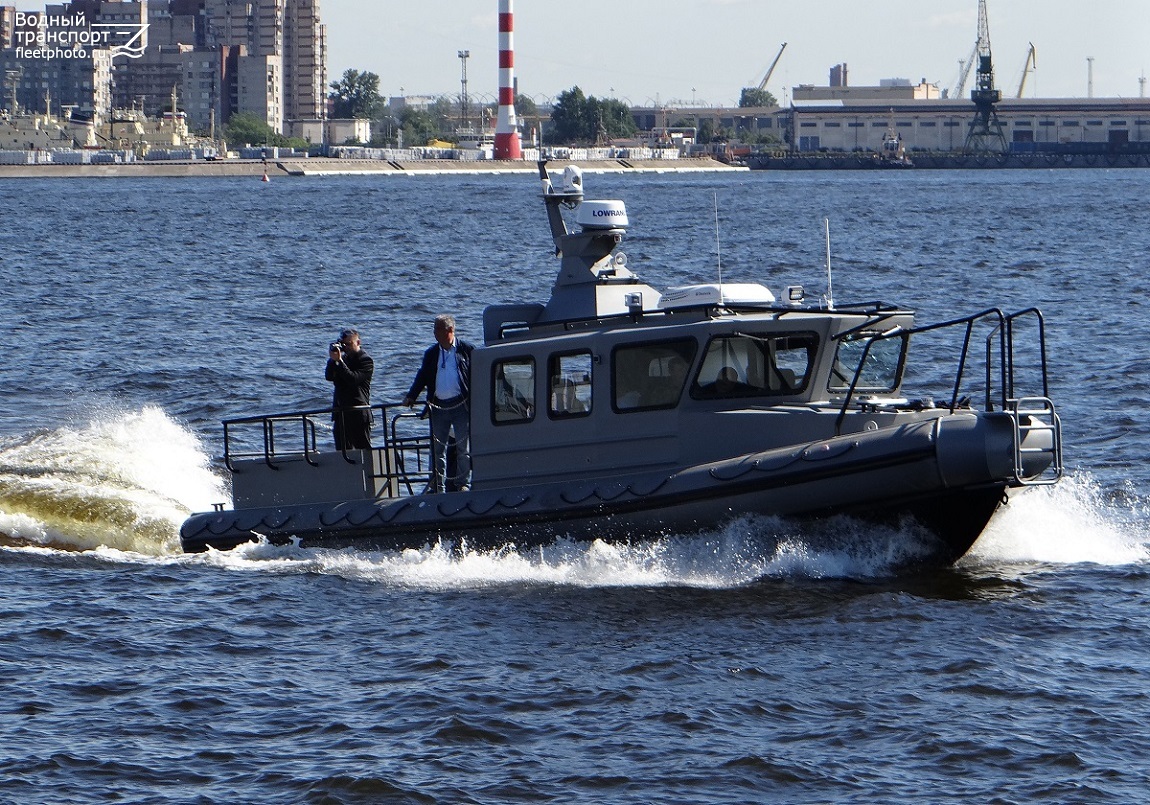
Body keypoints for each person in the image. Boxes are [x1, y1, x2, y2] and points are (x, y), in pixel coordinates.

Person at [403, 314, 475, 493]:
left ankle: (462, 484)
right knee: (437, 449)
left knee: (462, 448)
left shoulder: (466, 350)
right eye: (434, 328)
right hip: (438, 406)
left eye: (438, 329)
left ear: (450, 331)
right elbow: (422, 376)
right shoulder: (432, 353)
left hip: (461, 405)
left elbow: (477, 374)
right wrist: (412, 395)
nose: (434, 333)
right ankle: (436, 485)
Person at [325, 328, 374, 449]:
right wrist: (333, 359)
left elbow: (353, 379)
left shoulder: (365, 360)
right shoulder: (342, 359)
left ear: (358, 342)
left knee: (363, 451)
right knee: (342, 452)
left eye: (349, 344)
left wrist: (339, 362)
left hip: (358, 412)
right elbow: (329, 377)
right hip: (340, 413)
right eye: (344, 344)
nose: (346, 347)